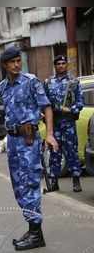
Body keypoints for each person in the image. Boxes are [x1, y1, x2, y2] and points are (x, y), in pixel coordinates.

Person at [0, 46, 58, 251]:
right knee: (18, 186)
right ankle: (33, 229)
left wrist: (49, 134)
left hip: (29, 139)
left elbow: (46, 107)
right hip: (13, 140)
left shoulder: (31, 81)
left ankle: (36, 233)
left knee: (31, 182)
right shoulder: (2, 88)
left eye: (18, 60)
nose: (16, 64)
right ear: (5, 65)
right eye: (12, 62)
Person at [44, 55, 84, 193]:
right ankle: (54, 182)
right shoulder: (48, 82)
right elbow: (44, 102)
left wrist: (69, 109)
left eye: (63, 63)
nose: (61, 65)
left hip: (68, 123)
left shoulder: (73, 82)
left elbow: (80, 102)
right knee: (54, 153)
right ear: (55, 66)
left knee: (71, 152)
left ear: (66, 65)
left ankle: (76, 180)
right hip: (54, 123)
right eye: (58, 63)